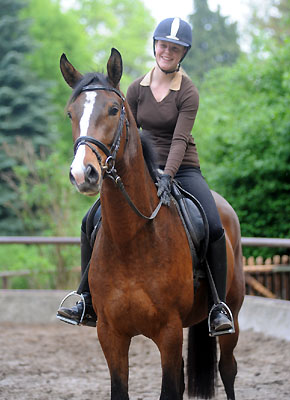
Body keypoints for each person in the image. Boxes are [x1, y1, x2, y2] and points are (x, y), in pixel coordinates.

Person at [57, 17, 234, 336]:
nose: (167, 51)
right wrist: (120, 166)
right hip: (144, 168)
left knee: (212, 224)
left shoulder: (188, 92)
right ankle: (85, 298)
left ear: (183, 53)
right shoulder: (136, 88)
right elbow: (128, 132)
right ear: (155, 46)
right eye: (163, 45)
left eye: (175, 48)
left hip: (183, 168)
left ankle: (218, 306)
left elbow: (180, 138)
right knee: (89, 220)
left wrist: (168, 174)